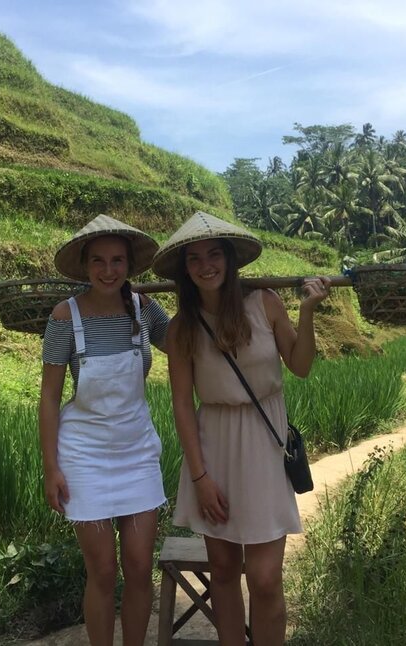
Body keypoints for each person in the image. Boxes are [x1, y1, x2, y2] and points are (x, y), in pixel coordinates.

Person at [152, 211, 331, 645]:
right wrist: (200, 479)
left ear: (231, 260)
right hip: (214, 451)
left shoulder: (265, 303)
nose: (205, 265)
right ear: (185, 270)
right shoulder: (182, 329)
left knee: (267, 578)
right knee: (226, 573)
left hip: (265, 446)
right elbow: (181, 403)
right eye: (194, 258)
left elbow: (301, 365)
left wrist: (307, 310)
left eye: (215, 254)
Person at [38, 214, 170, 646]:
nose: (108, 270)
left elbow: (185, 341)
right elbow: (49, 398)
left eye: (117, 261)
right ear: (85, 265)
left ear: (129, 266)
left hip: (137, 454)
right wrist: (51, 467)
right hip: (84, 458)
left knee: (138, 566)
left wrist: (207, 292)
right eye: (99, 261)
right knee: (103, 572)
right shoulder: (64, 316)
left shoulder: (145, 309)